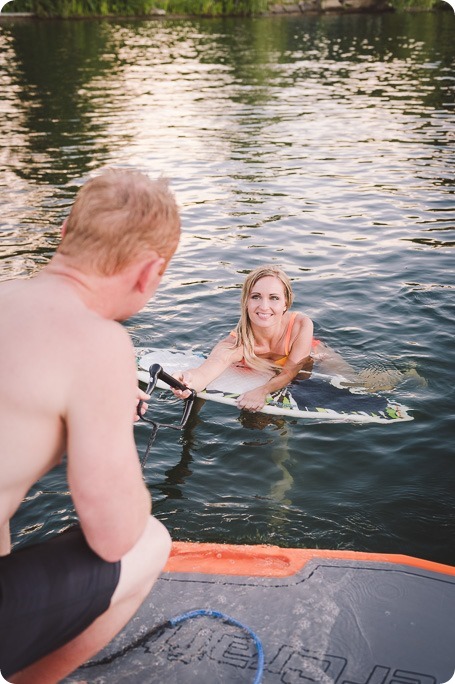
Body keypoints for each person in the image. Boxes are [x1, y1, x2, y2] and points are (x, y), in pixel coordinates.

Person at [0, 168, 180, 683]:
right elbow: (114, 537)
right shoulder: (98, 343)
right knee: (151, 541)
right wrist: (109, 421)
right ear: (149, 273)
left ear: (63, 236)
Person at [173, 265, 352, 412]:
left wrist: (263, 390)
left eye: (274, 298)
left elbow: (290, 372)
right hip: (270, 371)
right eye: (256, 297)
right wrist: (186, 380)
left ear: (286, 304)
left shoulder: (302, 325)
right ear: (246, 302)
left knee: (352, 384)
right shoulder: (236, 343)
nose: (264, 306)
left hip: (313, 356)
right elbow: (206, 371)